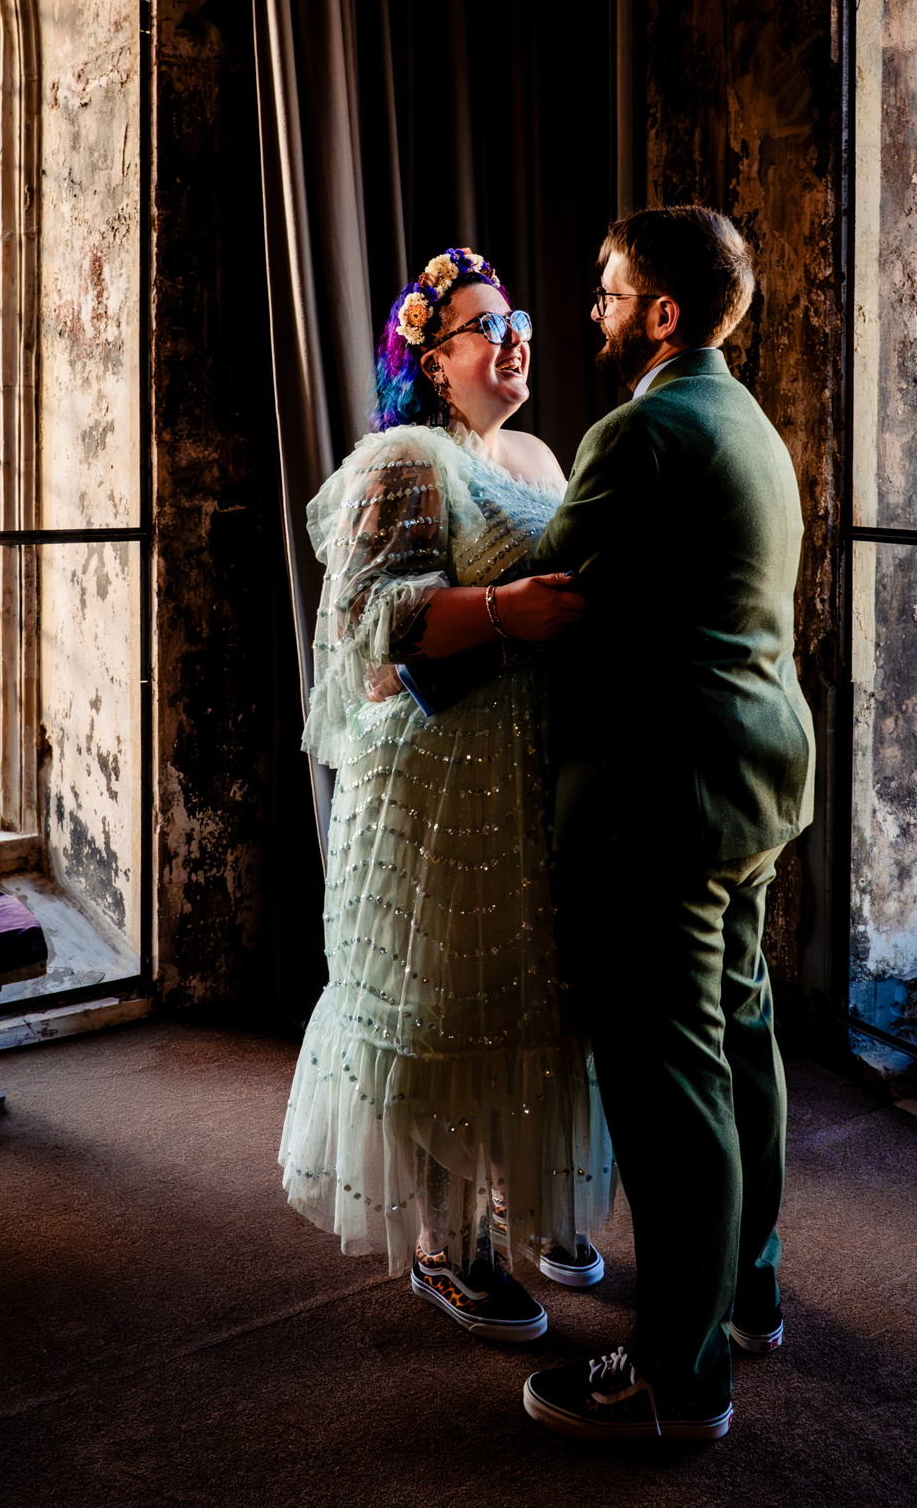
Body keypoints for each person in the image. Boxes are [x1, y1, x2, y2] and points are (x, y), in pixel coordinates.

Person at [280, 244, 615, 1343]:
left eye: (514, 315)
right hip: (431, 778)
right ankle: (445, 1240)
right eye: (482, 323)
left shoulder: (530, 450)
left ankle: (527, 1196)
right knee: (438, 1000)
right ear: (431, 360)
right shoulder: (404, 455)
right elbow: (366, 625)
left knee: (532, 984)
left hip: (528, 765)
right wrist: (505, 611)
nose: (512, 335)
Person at [518, 205, 815, 1441]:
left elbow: (556, 598)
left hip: (660, 802)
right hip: (756, 777)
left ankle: (679, 1377)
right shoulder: (745, 418)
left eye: (607, 288)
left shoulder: (639, 430)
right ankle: (746, 1293)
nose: (591, 307)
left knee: (671, 1083)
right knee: (739, 1037)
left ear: (663, 313)